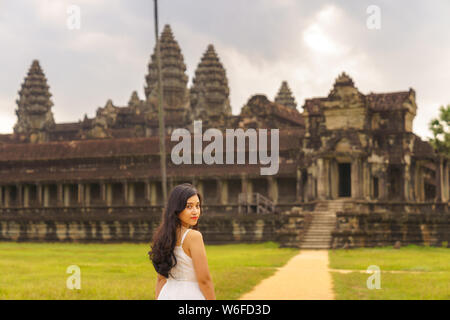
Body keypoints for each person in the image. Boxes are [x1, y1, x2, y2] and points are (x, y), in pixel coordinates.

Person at [149, 183, 216, 300]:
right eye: (189, 206)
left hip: (166, 295)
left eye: (197, 206)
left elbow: (160, 279)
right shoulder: (193, 236)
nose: (195, 211)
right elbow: (204, 280)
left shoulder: (163, 236)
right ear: (177, 209)